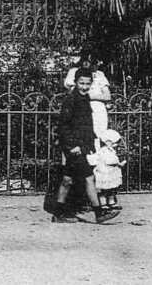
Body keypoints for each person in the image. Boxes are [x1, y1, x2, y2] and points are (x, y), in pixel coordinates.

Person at [51, 68, 119, 224]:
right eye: (81, 83)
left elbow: (86, 125)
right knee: (89, 178)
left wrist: (89, 144)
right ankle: (99, 213)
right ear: (75, 83)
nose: (84, 87)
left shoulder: (85, 99)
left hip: (82, 146)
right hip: (74, 147)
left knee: (67, 179)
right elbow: (63, 126)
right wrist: (71, 145)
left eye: (88, 84)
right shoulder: (71, 100)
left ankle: (58, 214)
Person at [64, 52, 111, 140]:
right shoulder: (74, 72)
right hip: (80, 108)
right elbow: (75, 93)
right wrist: (96, 96)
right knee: (81, 136)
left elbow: (107, 96)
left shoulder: (99, 74)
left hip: (98, 110)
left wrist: (88, 96)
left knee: (98, 138)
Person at [93, 128, 126, 211]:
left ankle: (111, 202)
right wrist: (119, 163)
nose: (116, 145)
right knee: (103, 190)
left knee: (112, 188)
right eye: (114, 143)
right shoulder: (104, 151)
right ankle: (103, 204)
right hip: (105, 173)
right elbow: (109, 161)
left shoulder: (111, 150)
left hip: (111, 173)